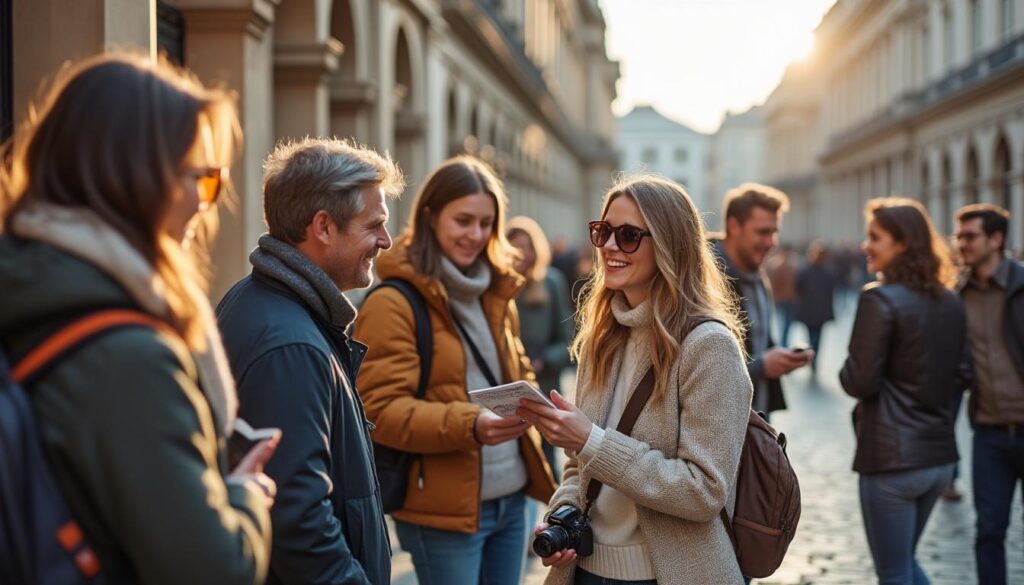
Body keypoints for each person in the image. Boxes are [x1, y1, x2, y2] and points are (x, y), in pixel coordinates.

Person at [0, 54, 274, 584]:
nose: (206, 203)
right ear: (135, 174)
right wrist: (246, 496)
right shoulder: (130, 354)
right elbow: (214, 570)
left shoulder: (30, 282)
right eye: (202, 177)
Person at [517, 175, 752, 585]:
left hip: (671, 574)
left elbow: (703, 491)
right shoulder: (602, 335)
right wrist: (562, 516)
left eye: (627, 236)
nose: (608, 246)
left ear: (669, 246)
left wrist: (590, 439)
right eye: (603, 231)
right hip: (584, 572)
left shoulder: (709, 347)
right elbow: (578, 468)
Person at [354, 156, 556, 585]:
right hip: (441, 513)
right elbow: (380, 412)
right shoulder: (393, 301)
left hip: (513, 500)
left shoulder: (497, 291)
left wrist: (540, 407)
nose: (476, 235)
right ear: (429, 217)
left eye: (486, 223)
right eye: (463, 220)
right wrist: (471, 425)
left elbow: (518, 374)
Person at [216, 138, 403, 585]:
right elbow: (299, 519)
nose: (386, 240)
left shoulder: (267, 307)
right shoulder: (290, 345)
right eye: (374, 225)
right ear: (323, 227)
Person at [840, 198, 968, 585]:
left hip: (891, 462)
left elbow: (858, 381)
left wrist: (848, 367)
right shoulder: (950, 299)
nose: (866, 245)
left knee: (895, 572)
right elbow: (965, 373)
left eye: (875, 237)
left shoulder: (878, 298)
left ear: (904, 244)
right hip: (939, 460)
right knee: (905, 566)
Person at [954, 203, 1024, 585]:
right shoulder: (957, 295)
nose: (961, 243)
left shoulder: (1022, 285)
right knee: (989, 530)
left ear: (996, 239)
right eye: (959, 235)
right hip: (990, 432)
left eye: (970, 236)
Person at [713, 183, 812, 419]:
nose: (772, 242)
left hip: (756, 419)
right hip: (721, 426)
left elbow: (760, 345)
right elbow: (697, 372)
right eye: (763, 232)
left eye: (774, 232)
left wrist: (781, 358)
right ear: (734, 226)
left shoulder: (758, 275)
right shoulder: (706, 280)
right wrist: (762, 366)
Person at [507, 216, 574, 481]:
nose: (521, 253)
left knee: (548, 466)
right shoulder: (497, 284)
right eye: (515, 246)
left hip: (543, 388)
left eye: (526, 246)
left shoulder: (551, 282)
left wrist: (544, 360)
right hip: (507, 389)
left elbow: (568, 340)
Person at [795, 240, 838, 375]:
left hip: (809, 309)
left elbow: (798, 287)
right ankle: (814, 357)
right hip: (821, 310)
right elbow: (832, 290)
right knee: (818, 336)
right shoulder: (828, 272)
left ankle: (812, 355)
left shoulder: (806, 270)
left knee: (811, 335)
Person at [766, 245, 798, 347]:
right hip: (782, 299)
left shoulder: (790, 267)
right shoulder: (780, 267)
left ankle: (783, 343)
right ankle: (783, 343)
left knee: (786, 324)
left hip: (787, 298)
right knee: (783, 323)